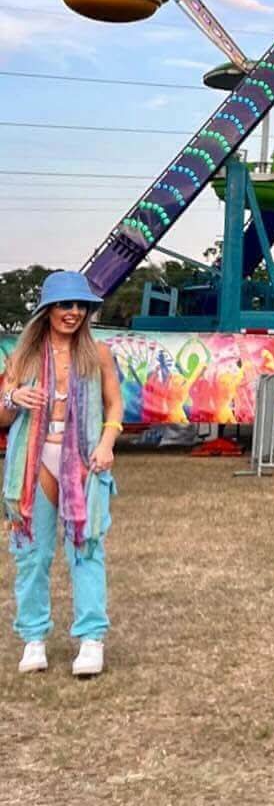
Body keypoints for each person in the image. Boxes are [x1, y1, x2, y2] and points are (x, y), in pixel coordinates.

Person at [1, 270, 122, 678]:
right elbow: (2, 413)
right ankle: (33, 638)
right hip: (32, 463)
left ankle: (91, 640)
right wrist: (14, 397)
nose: (73, 313)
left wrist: (106, 444)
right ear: (47, 310)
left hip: (83, 461)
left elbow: (115, 405)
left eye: (80, 306)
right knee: (31, 554)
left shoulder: (98, 354)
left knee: (86, 550)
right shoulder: (24, 356)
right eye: (64, 305)